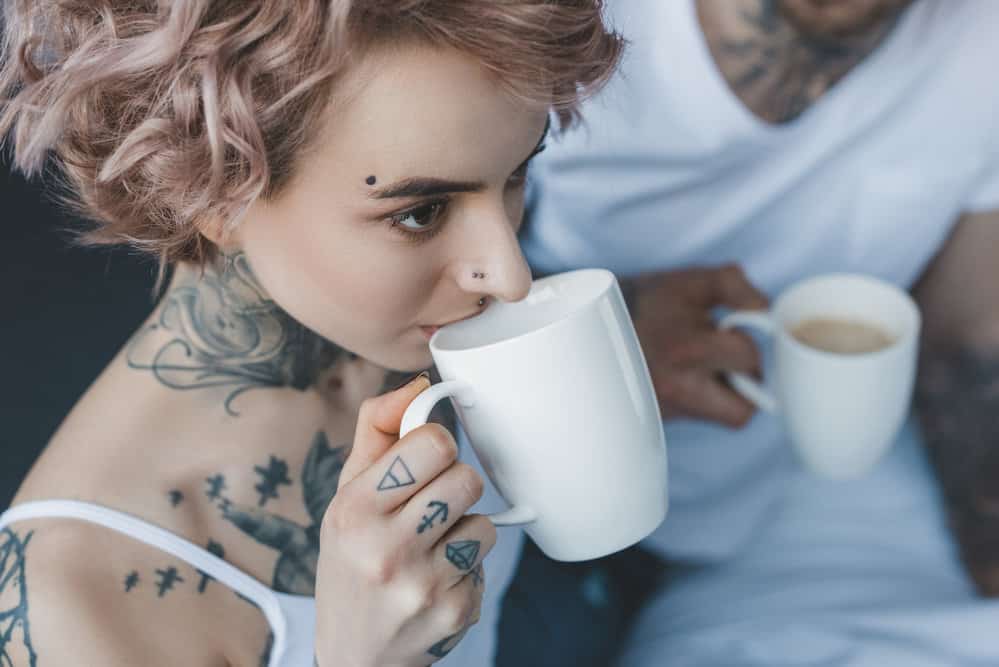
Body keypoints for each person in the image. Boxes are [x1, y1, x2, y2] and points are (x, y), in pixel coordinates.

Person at [0, 2, 623, 665]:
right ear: (212, 189)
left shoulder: (408, 321)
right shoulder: (74, 605)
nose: (509, 276)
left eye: (517, 173)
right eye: (420, 213)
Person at [502, 0, 999, 664]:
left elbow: (972, 343)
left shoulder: (979, 43)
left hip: (781, 525)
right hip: (532, 498)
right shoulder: (548, 20)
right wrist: (594, 347)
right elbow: (381, 276)